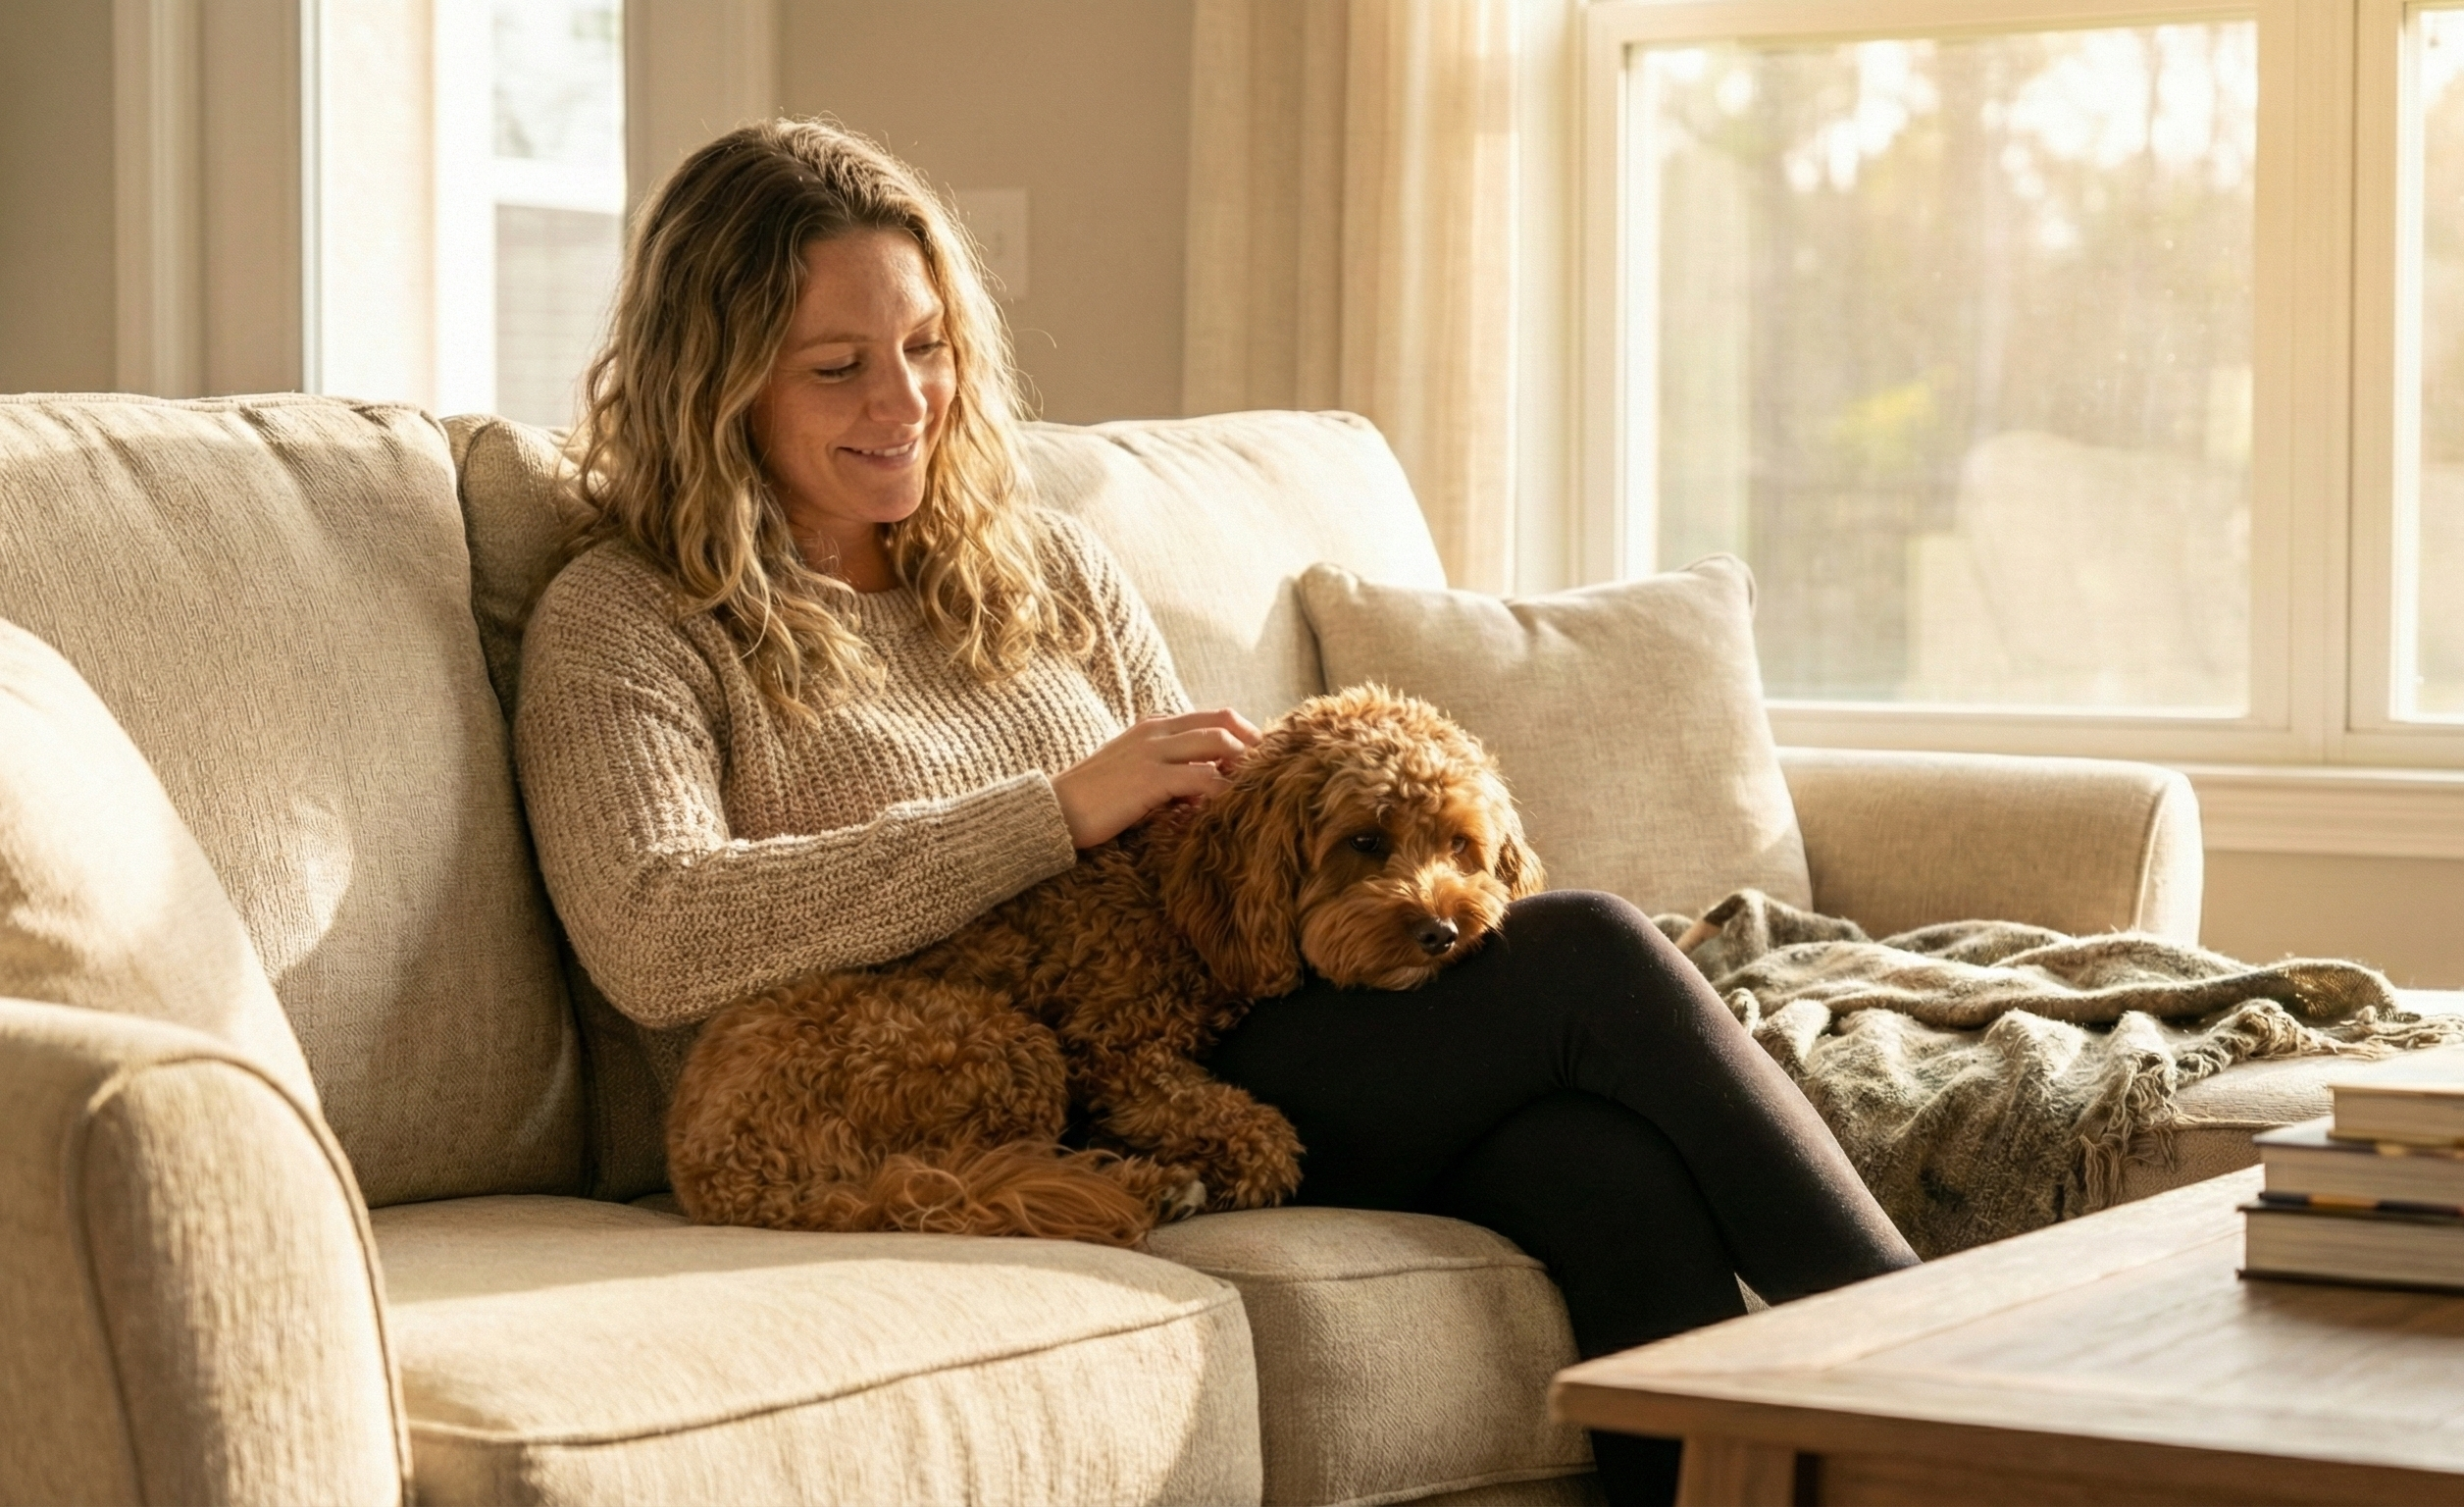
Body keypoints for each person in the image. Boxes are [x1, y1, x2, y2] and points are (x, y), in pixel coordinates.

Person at [511, 118, 1918, 1507]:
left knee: (1600, 1164)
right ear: (719, 384)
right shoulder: (629, 621)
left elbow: (1207, 862)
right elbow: (656, 935)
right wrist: (1050, 810)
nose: (905, 404)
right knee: (1591, 955)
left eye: (928, 348)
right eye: (839, 368)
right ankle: (1951, 1389)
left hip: (1219, 1039)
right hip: (1007, 1110)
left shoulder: (1044, 569)